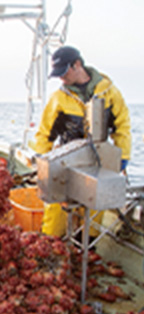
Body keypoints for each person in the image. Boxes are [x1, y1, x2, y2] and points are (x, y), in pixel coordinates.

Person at [32, 46, 132, 238]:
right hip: (64, 165)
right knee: (54, 221)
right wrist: (41, 162)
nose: (62, 78)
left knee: (93, 218)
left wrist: (123, 156)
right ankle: (51, 247)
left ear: (77, 64)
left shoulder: (110, 93)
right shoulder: (59, 98)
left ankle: (86, 254)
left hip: (97, 164)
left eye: (64, 72)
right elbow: (44, 133)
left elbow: (122, 127)